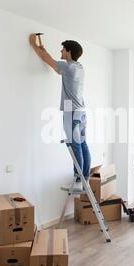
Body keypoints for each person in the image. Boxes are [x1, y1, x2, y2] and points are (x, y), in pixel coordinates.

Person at [29, 34, 91, 192]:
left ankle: (78, 180)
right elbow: (55, 67)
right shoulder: (78, 67)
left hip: (71, 111)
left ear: (69, 52)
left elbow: (47, 60)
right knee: (82, 144)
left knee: (74, 145)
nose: (61, 51)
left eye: (63, 49)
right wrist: (44, 52)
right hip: (81, 111)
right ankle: (85, 179)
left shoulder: (68, 67)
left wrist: (34, 45)